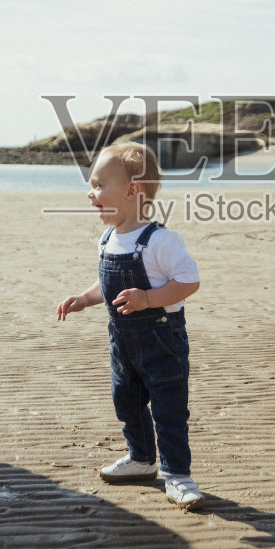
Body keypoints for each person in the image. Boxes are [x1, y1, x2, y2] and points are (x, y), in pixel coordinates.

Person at [56, 143, 204, 510]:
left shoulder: (160, 240)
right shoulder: (109, 239)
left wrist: (149, 299)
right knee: (128, 401)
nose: (90, 193)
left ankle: (178, 475)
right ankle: (141, 459)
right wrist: (85, 298)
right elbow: (105, 284)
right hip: (122, 342)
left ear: (132, 191)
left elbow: (188, 281)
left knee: (169, 408)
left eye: (98, 185)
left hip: (161, 339)